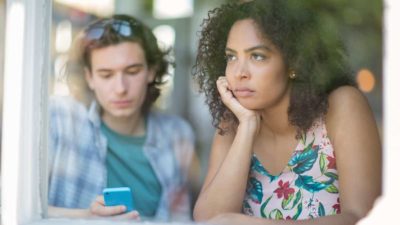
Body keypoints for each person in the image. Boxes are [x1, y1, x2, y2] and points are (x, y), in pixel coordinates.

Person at [192, 0, 381, 224]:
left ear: (295, 62)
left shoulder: (342, 106)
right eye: (231, 57)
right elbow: (209, 219)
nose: (239, 72)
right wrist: (247, 127)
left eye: (257, 56)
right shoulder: (233, 121)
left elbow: (365, 218)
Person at [48, 14, 196, 221]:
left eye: (132, 71)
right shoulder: (59, 118)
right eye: (106, 75)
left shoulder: (177, 134)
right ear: (89, 77)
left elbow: (179, 218)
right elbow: (14, 204)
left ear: (151, 71)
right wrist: (86, 217)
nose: (120, 89)